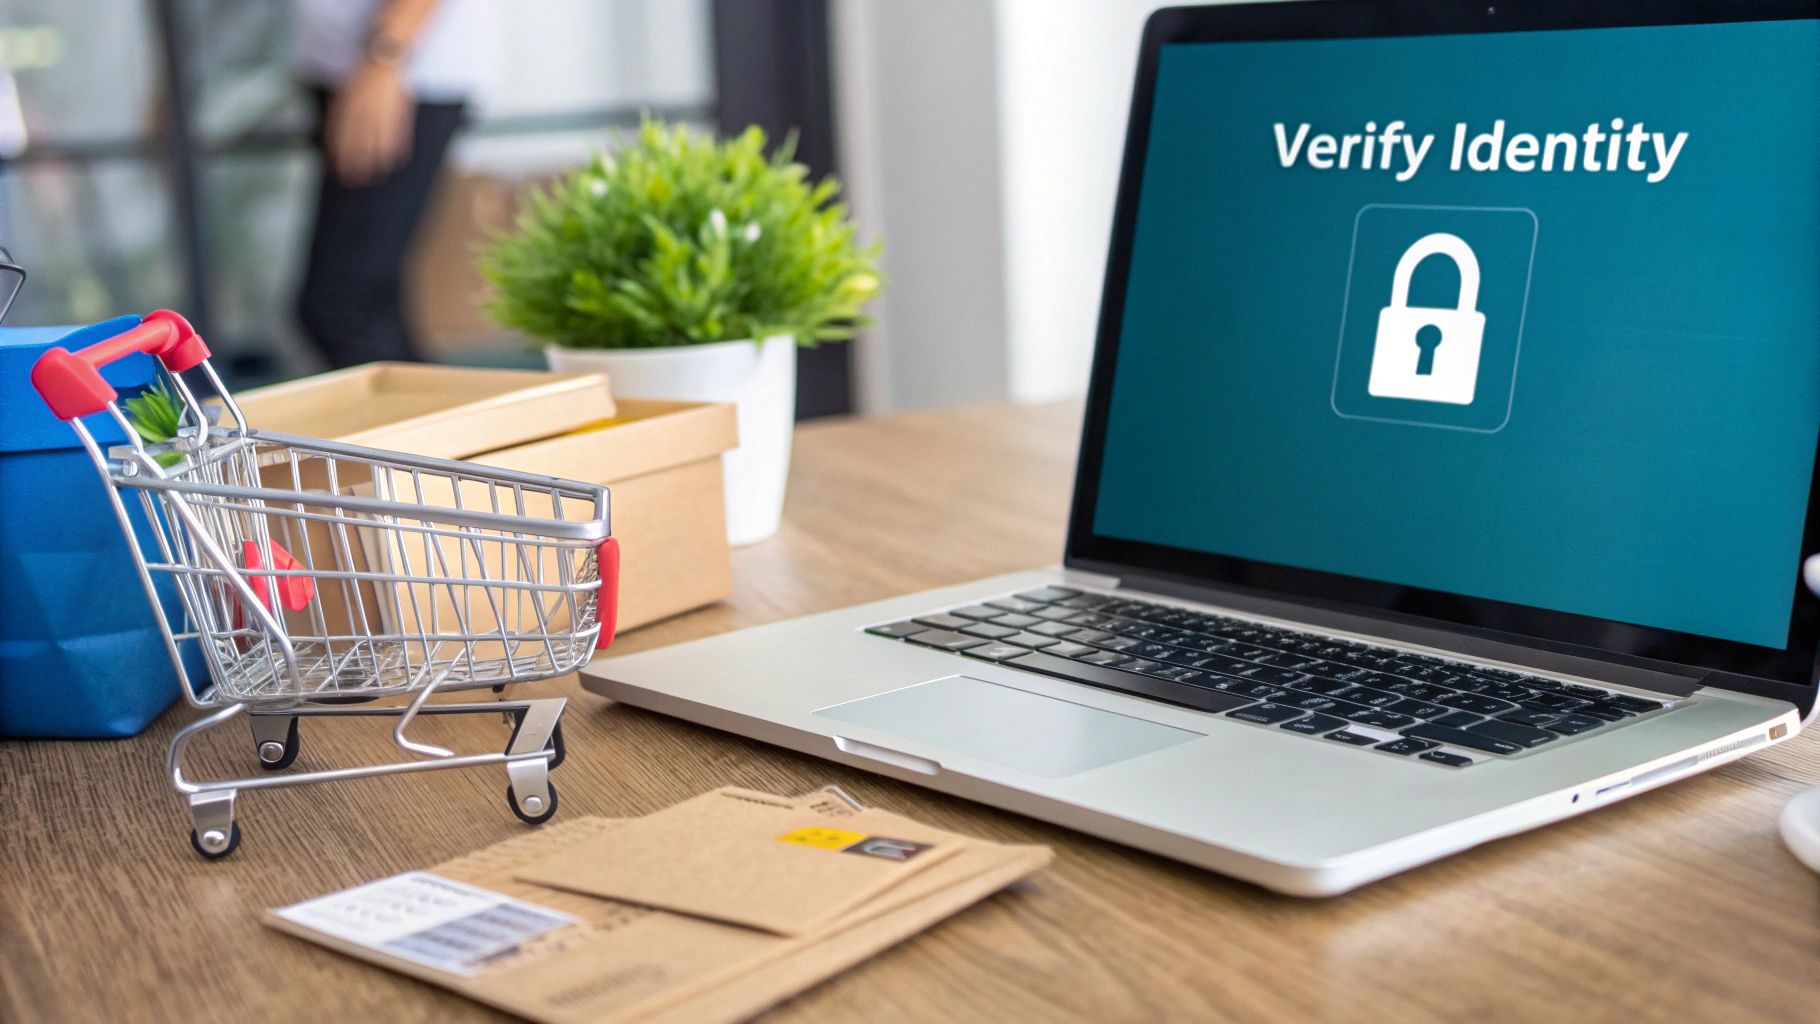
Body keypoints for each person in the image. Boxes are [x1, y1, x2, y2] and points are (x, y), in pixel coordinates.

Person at [292, 0, 486, 366]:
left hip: (395, 77)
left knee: (343, 305)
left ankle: (443, 422)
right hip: (347, 72)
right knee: (364, 302)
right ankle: (439, 420)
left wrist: (385, 57)